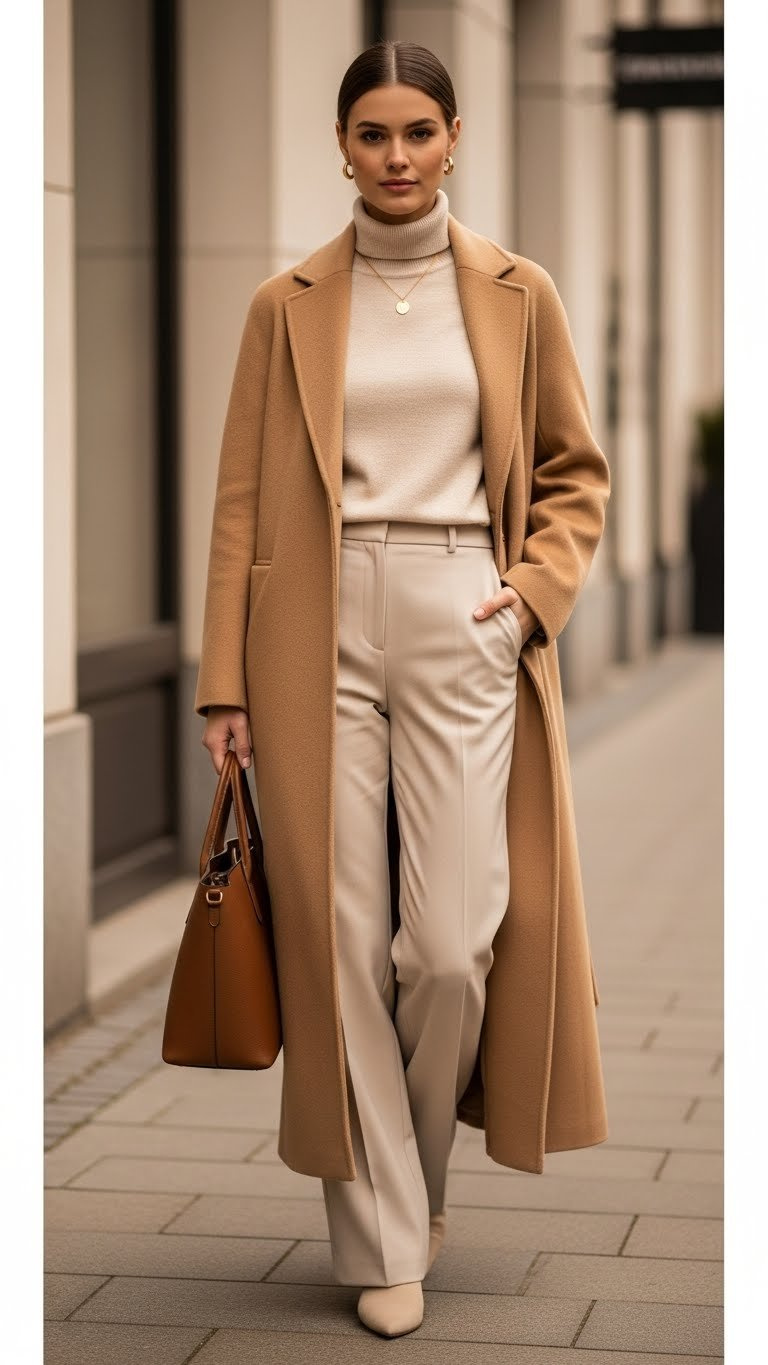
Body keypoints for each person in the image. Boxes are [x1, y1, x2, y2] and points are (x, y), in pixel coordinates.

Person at [197, 39, 611, 1341]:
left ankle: (409, 1175)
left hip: (462, 607)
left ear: (454, 137)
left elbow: (572, 472)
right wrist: (223, 682)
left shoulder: (514, 289)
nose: (395, 156)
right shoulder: (286, 302)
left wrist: (529, 599)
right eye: (371, 133)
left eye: (416, 132)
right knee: (334, 934)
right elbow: (240, 504)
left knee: (448, 947)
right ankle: (384, 1231)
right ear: (339, 143)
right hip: (309, 624)